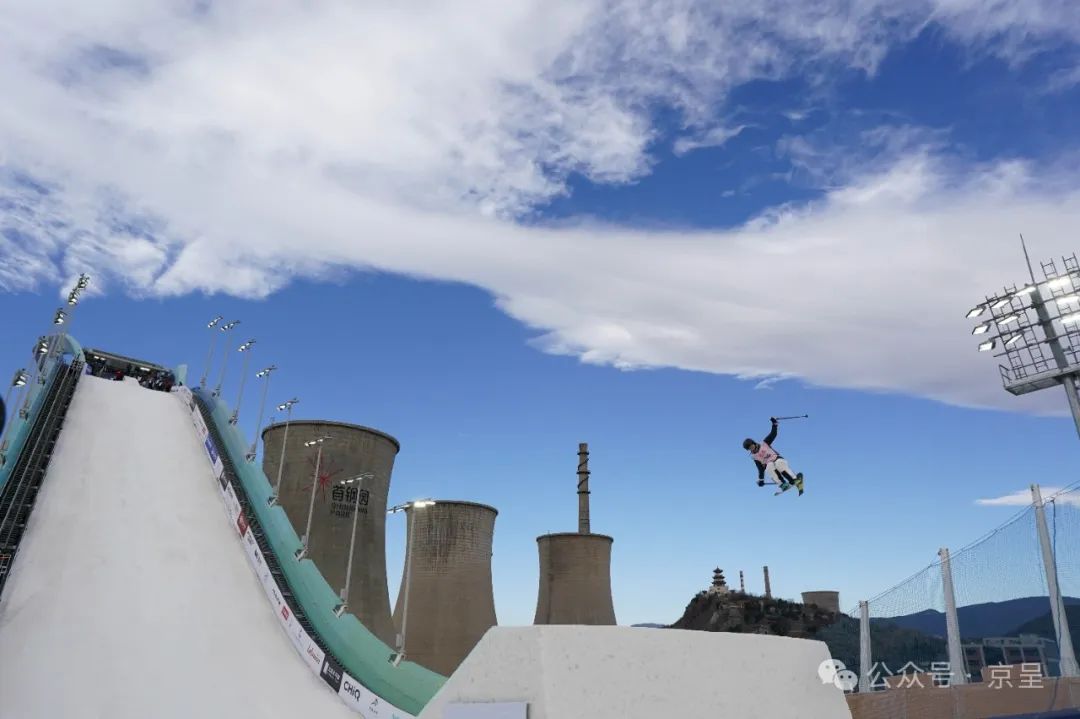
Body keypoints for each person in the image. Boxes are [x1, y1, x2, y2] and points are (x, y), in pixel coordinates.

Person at [743, 417, 803, 495]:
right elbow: (760, 469)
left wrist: (774, 424)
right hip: (770, 465)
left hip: (777, 459)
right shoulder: (755, 457)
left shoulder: (764, 443)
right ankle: (783, 484)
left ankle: (794, 479)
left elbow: (773, 434)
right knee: (768, 467)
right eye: (749, 449)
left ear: (753, 443)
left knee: (778, 463)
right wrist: (761, 480)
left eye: (751, 446)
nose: (752, 449)